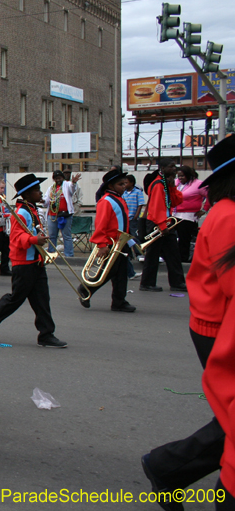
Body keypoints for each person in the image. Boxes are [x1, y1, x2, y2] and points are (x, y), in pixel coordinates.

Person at [143, 136, 235, 511]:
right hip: (217, 326)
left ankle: (167, 468)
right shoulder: (228, 215)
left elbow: (178, 199)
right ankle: (168, 467)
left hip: (217, 322)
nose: (170, 173)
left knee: (228, 419)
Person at [0, 174, 67, 348]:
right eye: (36, 190)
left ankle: (46, 334)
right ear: (26, 194)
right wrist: (35, 240)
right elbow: (16, 239)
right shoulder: (21, 213)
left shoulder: (32, 210)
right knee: (15, 299)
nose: (40, 193)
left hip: (35, 261)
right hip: (24, 264)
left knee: (42, 299)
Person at [77, 170, 136, 312]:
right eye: (120, 184)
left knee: (121, 274)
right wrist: (102, 244)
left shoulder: (119, 199)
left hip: (120, 242)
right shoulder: (106, 201)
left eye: (125, 183)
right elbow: (101, 224)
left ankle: (119, 301)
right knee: (109, 271)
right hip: (111, 243)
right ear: (110, 186)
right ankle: (86, 289)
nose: (124, 186)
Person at [140, 158, 187, 292]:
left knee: (173, 254)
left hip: (165, 222)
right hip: (157, 223)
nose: (174, 169)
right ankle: (147, 283)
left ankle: (177, 282)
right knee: (153, 255)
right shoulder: (158, 184)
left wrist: (172, 187)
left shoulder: (166, 184)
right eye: (171, 166)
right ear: (163, 168)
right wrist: (162, 226)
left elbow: (176, 201)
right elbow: (156, 207)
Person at [174, 166, 208, 263]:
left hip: (188, 216)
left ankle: (183, 259)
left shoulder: (198, 184)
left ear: (188, 175)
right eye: (178, 176)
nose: (180, 178)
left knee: (184, 239)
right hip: (174, 214)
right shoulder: (176, 183)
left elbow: (210, 196)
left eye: (182, 176)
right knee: (172, 237)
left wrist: (204, 210)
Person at [45, 170, 81, 257]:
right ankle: (51, 254)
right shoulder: (51, 188)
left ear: (63, 178)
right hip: (52, 215)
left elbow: (72, 189)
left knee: (66, 236)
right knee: (52, 236)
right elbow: (46, 200)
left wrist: (73, 183)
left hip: (65, 215)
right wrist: (43, 201)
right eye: (56, 178)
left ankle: (69, 255)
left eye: (60, 178)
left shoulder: (67, 185)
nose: (58, 180)